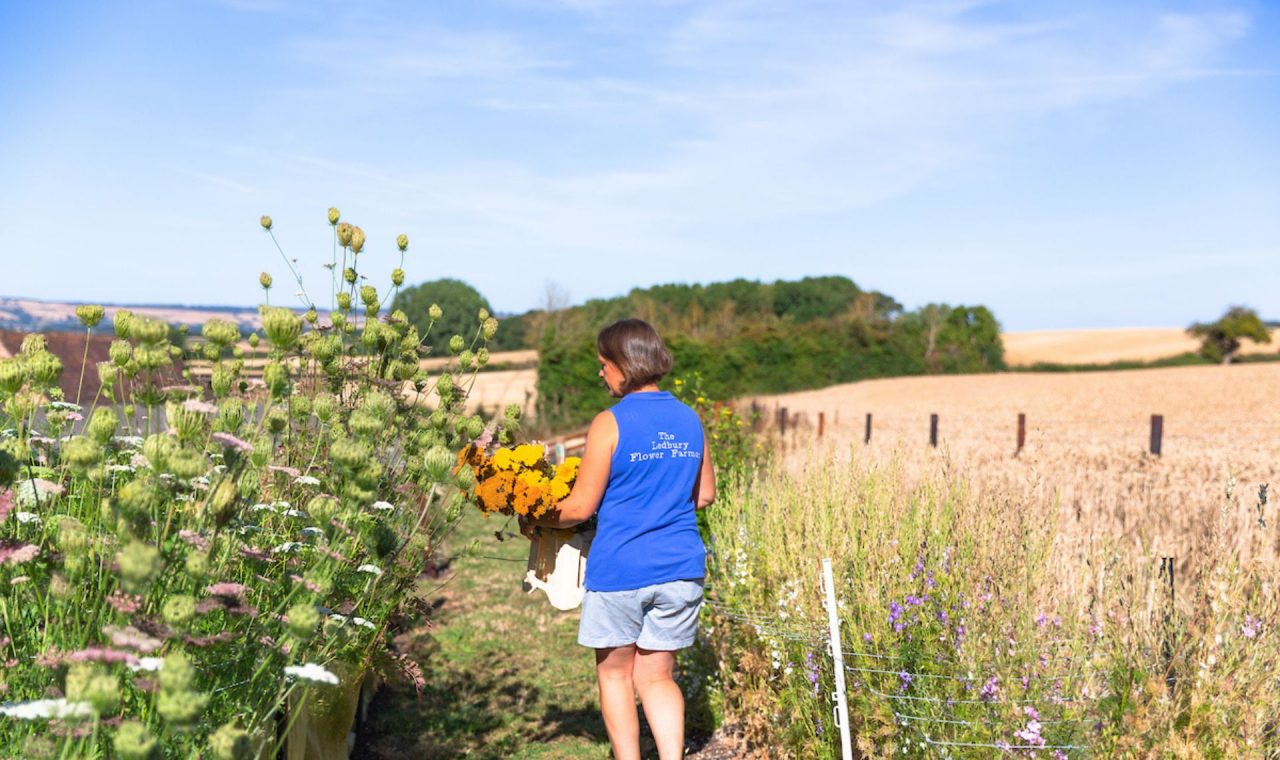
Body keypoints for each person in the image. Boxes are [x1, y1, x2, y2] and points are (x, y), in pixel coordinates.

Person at [521, 318, 715, 760]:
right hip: (681, 569)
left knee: (615, 677)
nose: (600, 373)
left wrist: (534, 512)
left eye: (603, 364)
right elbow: (704, 494)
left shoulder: (610, 423)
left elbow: (579, 508)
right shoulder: (689, 418)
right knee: (658, 679)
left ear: (624, 365)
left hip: (622, 570)